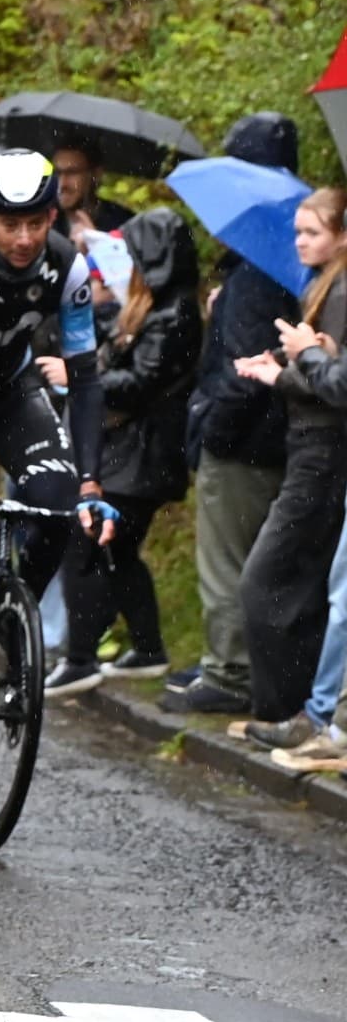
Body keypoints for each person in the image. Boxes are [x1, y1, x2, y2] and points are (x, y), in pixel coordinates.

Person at [164, 113, 303, 716]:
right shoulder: (298, 262)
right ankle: (241, 663)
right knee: (265, 563)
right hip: (285, 437)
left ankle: (229, 672)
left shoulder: (253, 279)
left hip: (243, 442)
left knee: (227, 561)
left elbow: (243, 373)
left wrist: (211, 433)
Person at [0, 149, 110, 611]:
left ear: (52, 215)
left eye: (36, 223)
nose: (24, 238)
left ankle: (13, 615)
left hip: (12, 392)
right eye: (10, 225)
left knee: (57, 508)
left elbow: (85, 375)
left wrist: (90, 481)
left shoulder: (67, 265)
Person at [46, 209, 200, 695]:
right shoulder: (152, 307)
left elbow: (141, 382)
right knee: (118, 552)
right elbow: (122, 358)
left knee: (88, 544)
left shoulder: (172, 314)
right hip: (133, 451)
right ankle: (148, 647)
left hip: (142, 453)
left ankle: (81, 657)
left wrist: (78, 378)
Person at [230, 188, 347, 747]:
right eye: (297, 231)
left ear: (342, 235)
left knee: (268, 581)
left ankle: (291, 711)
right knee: (296, 583)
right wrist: (282, 362)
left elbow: (338, 385)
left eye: (313, 232)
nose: (300, 241)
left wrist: (293, 366)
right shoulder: (324, 286)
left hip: (324, 455)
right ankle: (289, 710)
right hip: (310, 448)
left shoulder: (342, 288)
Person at [53, 141, 134, 238]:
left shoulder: (123, 223)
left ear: (96, 174)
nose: (62, 184)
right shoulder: (43, 219)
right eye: (57, 172)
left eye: (72, 172)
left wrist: (96, 244)